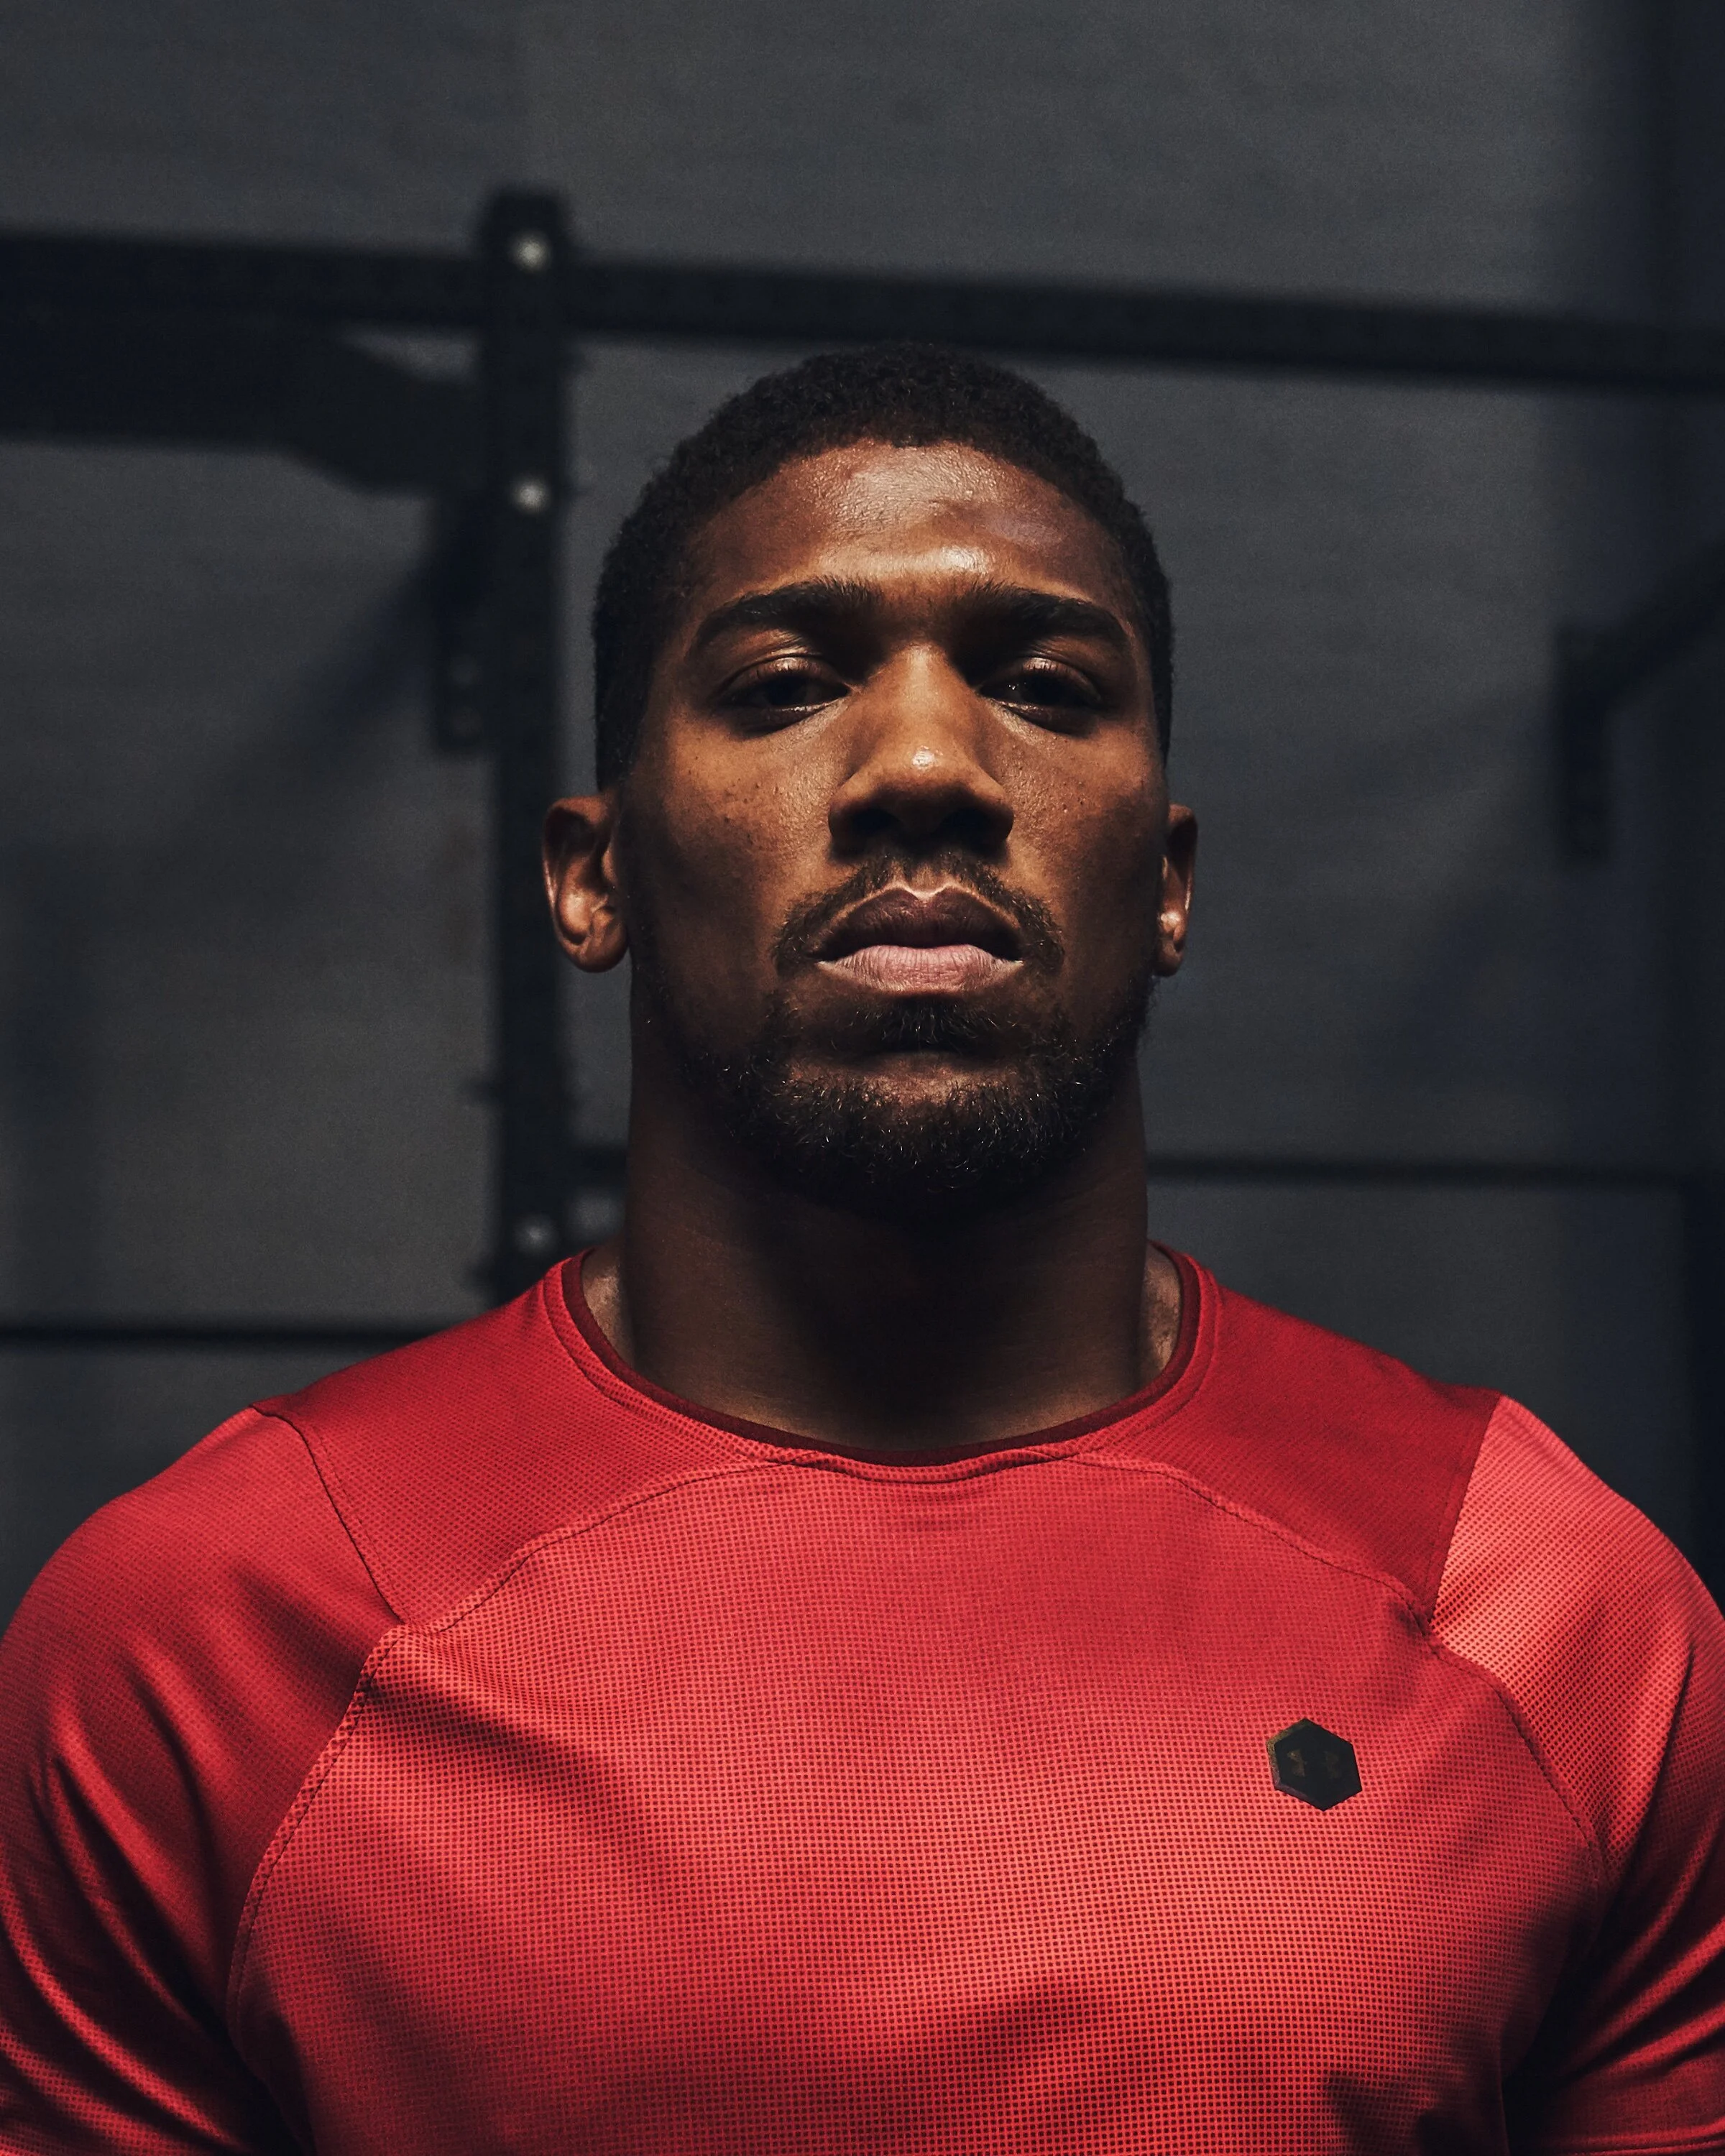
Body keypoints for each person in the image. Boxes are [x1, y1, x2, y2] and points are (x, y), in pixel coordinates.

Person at [1, 345, 1721, 2155]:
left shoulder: (1550, 1611)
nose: (923, 765)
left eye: (1048, 689)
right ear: (593, 875)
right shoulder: (206, 1636)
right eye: (786, 685)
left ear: (1167, 883)